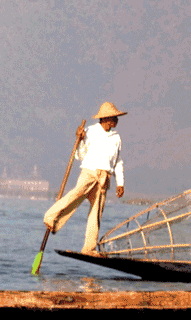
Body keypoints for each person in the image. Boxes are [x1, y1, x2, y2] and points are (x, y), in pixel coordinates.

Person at [43, 102, 128, 253]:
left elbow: (118, 162)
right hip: (89, 172)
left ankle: (89, 248)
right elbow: (80, 155)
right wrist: (80, 140)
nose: (117, 120)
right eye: (115, 117)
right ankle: (50, 217)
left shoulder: (116, 138)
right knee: (75, 195)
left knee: (96, 213)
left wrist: (120, 183)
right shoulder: (90, 131)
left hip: (104, 177)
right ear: (107, 118)